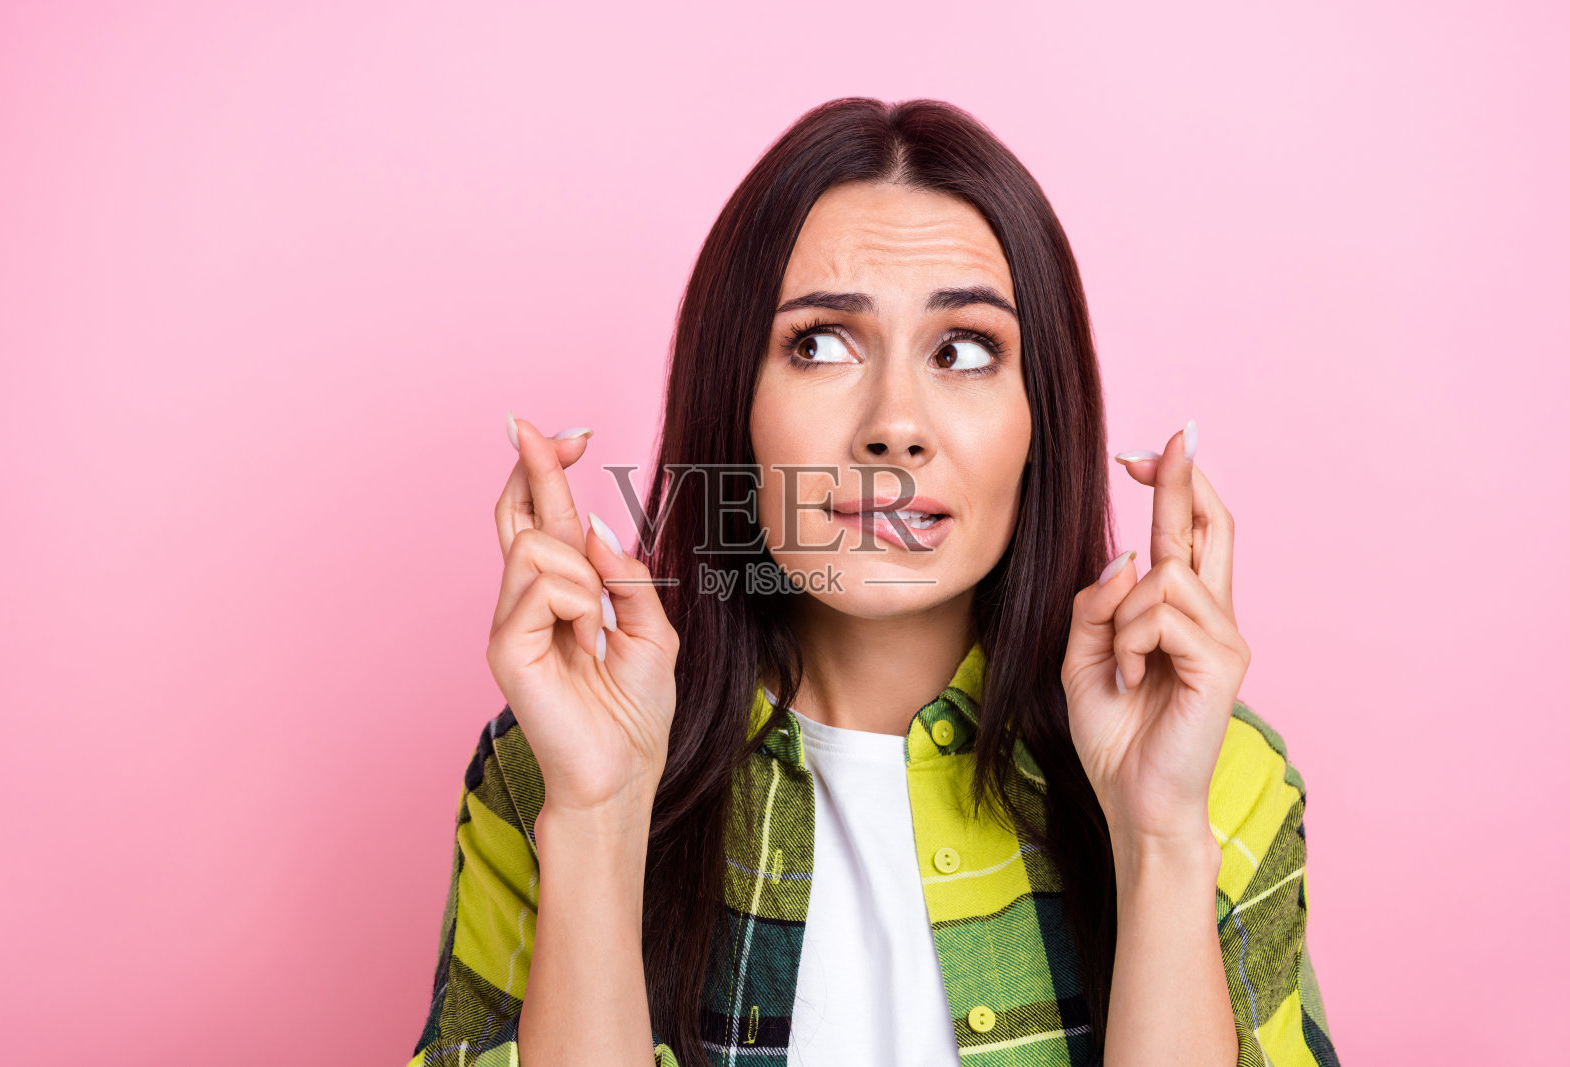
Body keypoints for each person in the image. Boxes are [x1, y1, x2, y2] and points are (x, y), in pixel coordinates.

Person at [407, 97, 1339, 1067]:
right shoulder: (550, 764)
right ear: (736, 405)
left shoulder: (1213, 774)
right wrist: (596, 816)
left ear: (1042, 420)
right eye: (818, 343)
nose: (895, 424)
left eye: (963, 350)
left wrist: (1162, 838)